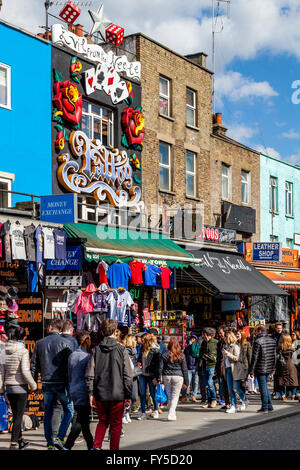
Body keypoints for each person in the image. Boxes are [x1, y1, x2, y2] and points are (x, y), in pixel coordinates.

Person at [85, 319, 133, 451]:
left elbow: (90, 373)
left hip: (100, 392)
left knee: (103, 421)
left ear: (102, 331)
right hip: (118, 393)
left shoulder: (96, 350)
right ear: (115, 331)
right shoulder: (122, 350)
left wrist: (90, 392)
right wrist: (128, 394)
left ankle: (97, 446)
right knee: (116, 425)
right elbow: (128, 375)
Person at [30, 319, 74, 450]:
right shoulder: (66, 343)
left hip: (47, 382)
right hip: (62, 383)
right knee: (69, 410)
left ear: (50, 327)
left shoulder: (40, 343)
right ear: (60, 329)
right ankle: (60, 437)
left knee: (48, 412)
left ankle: (50, 443)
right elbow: (70, 366)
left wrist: (34, 384)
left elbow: (34, 366)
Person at [0, 327, 37, 450]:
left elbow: (1, 371)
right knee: (18, 416)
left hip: (9, 387)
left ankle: (20, 441)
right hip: (20, 388)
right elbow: (25, 372)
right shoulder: (23, 351)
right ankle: (13, 444)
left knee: (16, 414)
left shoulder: (3, 350)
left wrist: (2, 388)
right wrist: (34, 385)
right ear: (24, 338)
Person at [63, 331, 94, 451]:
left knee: (83, 420)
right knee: (82, 420)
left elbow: (69, 374)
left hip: (74, 388)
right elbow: (89, 375)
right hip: (83, 390)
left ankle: (90, 445)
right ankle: (68, 445)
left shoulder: (72, 355)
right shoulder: (86, 357)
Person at [157, 338, 188, 420]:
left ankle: (172, 412)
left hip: (166, 376)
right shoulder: (181, 355)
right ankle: (171, 412)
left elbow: (160, 367)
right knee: (175, 395)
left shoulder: (164, 354)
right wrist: (186, 382)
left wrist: (159, 378)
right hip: (178, 376)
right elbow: (184, 369)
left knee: (169, 394)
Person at [249, 324, 277, 413]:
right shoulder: (272, 340)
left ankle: (265, 407)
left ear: (260, 331)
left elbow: (255, 357)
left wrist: (252, 370)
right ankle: (269, 406)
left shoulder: (258, 341)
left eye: (256, 331)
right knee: (264, 387)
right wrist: (273, 368)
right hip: (269, 367)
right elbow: (274, 356)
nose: (255, 333)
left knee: (263, 388)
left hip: (260, 367)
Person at [222, 331, 248, 413]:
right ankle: (233, 406)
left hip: (235, 369)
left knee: (236, 387)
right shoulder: (226, 346)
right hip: (228, 369)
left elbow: (237, 359)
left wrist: (227, 354)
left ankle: (244, 400)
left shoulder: (235, 346)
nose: (224, 339)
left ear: (229, 338)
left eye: (225, 337)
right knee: (230, 389)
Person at [137, 333, 160, 420]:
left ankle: (156, 410)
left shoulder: (155, 349)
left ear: (146, 340)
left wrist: (156, 377)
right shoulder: (143, 348)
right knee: (142, 393)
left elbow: (157, 365)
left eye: (143, 340)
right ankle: (143, 413)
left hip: (151, 375)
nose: (141, 341)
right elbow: (140, 358)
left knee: (152, 393)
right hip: (143, 374)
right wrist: (139, 362)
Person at [275, 334, 298, 400]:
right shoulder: (293, 348)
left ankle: (283, 396)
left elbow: (276, 357)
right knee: (293, 381)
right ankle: (293, 395)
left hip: (282, 366)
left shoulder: (279, 348)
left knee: (281, 381)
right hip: (291, 366)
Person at [122, 334, 140, 423]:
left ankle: (127, 412)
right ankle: (125, 413)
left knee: (134, 396)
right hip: (127, 375)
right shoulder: (125, 350)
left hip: (135, 374)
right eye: (135, 340)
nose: (136, 342)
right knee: (127, 395)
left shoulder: (134, 350)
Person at [200, 327, 218, 408]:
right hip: (204, 366)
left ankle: (214, 399)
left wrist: (207, 357)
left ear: (206, 334)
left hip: (212, 366)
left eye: (203, 334)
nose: (202, 335)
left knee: (210, 383)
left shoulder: (215, 342)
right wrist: (206, 357)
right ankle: (209, 401)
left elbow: (215, 356)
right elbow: (200, 354)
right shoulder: (203, 342)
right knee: (206, 385)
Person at [181, 334, 199, 402]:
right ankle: (184, 396)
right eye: (191, 339)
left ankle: (194, 396)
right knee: (186, 382)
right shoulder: (187, 348)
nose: (192, 340)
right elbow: (184, 357)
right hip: (188, 368)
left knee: (195, 383)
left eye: (193, 339)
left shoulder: (198, 348)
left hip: (196, 368)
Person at [216, 326, 230, 409]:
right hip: (221, 366)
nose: (220, 334)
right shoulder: (220, 343)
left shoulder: (229, 342)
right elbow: (218, 355)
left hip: (228, 366)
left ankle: (231, 403)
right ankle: (226, 402)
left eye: (221, 333)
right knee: (223, 385)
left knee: (229, 386)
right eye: (219, 333)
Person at [272, 322, 285, 399]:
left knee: (282, 376)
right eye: (278, 328)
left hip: (282, 359)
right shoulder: (273, 336)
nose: (279, 329)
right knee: (276, 377)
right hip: (275, 359)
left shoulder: (284, 336)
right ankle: (277, 392)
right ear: (275, 328)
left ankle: (283, 393)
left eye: (280, 328)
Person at [291, 330, 300, 394]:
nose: (292, 335)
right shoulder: (292, 342)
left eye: (293, 334)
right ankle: (294, 392)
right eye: (291, 334)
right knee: (294, 378)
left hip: (297, 363)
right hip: (293, 363)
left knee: (297, 377)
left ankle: (297, 392)